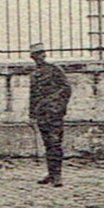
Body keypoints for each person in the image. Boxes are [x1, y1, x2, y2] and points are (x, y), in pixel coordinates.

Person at [27, 42, 71, 186]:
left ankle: (57, 175)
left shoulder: (54, 70)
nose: (39, 57)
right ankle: (51, 174)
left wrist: (57, 107)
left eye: (41, 54)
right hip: (41, 114)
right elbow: (33, 96)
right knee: (48, 144)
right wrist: (32, 115)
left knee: (55, 143)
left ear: (44, 55)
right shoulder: (34, 74)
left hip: (54, 114)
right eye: (36, 55)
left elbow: (66, 89)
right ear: (32, 57)